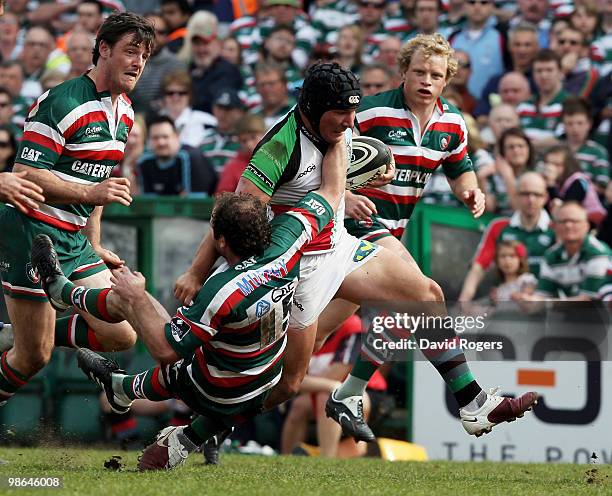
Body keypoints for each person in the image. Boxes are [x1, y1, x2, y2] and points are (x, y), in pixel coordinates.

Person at [32, 134, 348, 470]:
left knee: (140, 307)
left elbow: (167, 349)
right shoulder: (287, 241)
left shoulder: (222, 290)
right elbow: (331, 191)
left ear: (222, 242)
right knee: (196, 351)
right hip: (263, 380)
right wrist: (339, 136)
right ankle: (129, 395)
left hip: (216, 387)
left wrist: (136, 297)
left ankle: (63, 291)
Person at [318, 36, 537, 441]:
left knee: (310, 339)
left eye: (435, 74)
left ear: (446, 80)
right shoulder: (371, 110)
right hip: (352, 227)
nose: (425, 79)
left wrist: (471, 191)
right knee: (425, 295)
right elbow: (322, 153)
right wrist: (344, 196)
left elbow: (460, 170)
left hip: (388, 237)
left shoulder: (452, 123)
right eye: (418, 71)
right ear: (404, 71)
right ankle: (471, 401)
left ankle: (214, 419)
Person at [0, 12, 155, 406]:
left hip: (73, 240)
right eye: (131, 51)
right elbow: (26, 174)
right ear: (103, 49)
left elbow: (99, 186)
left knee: (121, 333)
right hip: (30, 233)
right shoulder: (62, 101)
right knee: (34, 356)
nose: (139, 63)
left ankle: (14, 332)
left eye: (145, 55)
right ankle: (22, 338)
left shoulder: (126, 112)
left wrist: (95, 241)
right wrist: (90, 194)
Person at [459, 172, 554, 301]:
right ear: (516, 195)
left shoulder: (555, 229)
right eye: (525, 194)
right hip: (507, 299)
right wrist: (463, 301)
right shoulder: (499, 227)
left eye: (537, 194)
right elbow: (478, 267)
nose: (531, 199)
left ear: (545, 197)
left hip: (545, 302)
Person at [514, 202, 611, 303]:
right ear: (555, 227)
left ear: (586, 226)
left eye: (574, 221)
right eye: (563, 221)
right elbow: (542, 296)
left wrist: (545, 304)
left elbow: (589, 302)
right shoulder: (551, 255)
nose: (568, 225)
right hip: (571, 314)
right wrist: (527, 301)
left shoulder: (598, 253)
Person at [137, 115, 217, 196]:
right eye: (155, 138)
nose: (161, 142)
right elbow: (148, 203)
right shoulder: (145, 161)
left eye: (165, 137)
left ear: (176, 136)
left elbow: (195, 203)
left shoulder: (191, 157)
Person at [490, 240, 537, 305]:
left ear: (520, 260)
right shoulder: (499, 289)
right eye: (503, 256)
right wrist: (495, 302)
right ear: (497, 261)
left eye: (512, 256)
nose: (507, 260)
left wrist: (523, 297)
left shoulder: (527, 279)